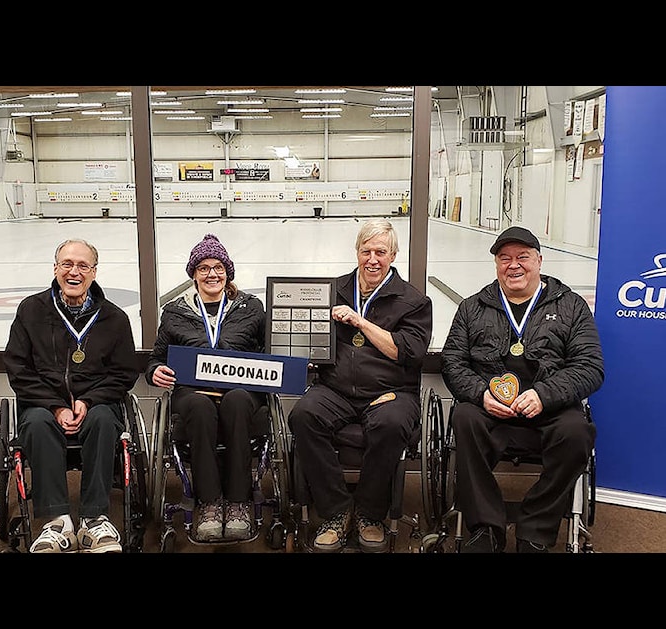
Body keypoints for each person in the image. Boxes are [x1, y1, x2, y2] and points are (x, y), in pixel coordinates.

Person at [440, 226, 604, 553]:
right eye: (505, 259)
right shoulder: (473, 307)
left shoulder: (571, 306)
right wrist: (481, 394)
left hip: (550, 412)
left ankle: (535, 529)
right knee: (464, 417)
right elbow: (452, 362)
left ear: (539, 261)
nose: (513, 265)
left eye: (522, 258)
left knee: (578, 433)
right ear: (496, 265)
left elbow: (590, 366)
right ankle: (486, 527)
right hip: (491, 411)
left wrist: (545, 394)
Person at [287, 219, 432, 553]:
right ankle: (338, 512)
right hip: (335, 391)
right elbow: (309, 339)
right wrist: (303, 352)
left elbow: (406, 352)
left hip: (391, 393)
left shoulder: (413, 301)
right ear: (356, 252)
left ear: (393, 255)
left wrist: (360, 321)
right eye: (366, 250)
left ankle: (369, 514)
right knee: (304, 416)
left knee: (392, 424)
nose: (372, 259)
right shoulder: (332, 289)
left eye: (380, 252)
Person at [3, 238, 140, 553]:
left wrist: (87, 400)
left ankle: (94, 519)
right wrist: (55, 406)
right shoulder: (31, 310)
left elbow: (123, 373)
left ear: (93, 273)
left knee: (105, 420)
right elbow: (18, 368)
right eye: (67, 264)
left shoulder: (114, 318)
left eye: (82, 265)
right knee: (37, 424)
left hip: (96, 402)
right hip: (42, 404)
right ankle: (57, 523)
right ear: (55, 268)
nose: (73, 271)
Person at [146, 234, 267, 542]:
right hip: (193, 393)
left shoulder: (250, 307)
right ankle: (210, 503)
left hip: (242, 390)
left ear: (228, 272)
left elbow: (270, 351)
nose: (212, 274)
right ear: (194, 274)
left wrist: (293, 364)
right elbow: (156, 359)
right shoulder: (175, 312)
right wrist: (155, 371)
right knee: (199, 406)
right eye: (203, 268)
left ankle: (239, 502)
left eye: (218, 267)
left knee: (237, 401)